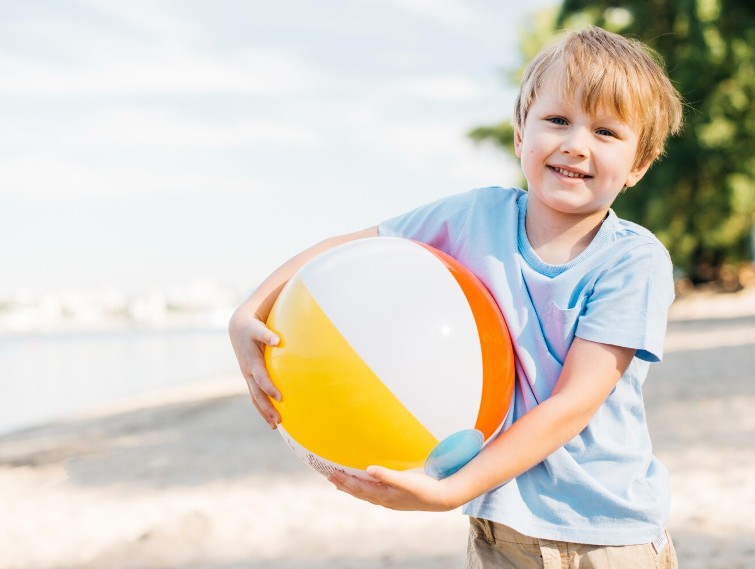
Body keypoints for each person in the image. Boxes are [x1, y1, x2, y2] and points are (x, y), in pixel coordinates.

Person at [229, 26, 683, 568]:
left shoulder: (633, 260)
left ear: (639, 164)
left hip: (605, 534)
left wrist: (449, 491)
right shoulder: (475, 216)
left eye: (606, 132)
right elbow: (349, 250)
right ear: (520, 134)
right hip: (499, 526)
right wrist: (250, 310)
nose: (575, 144)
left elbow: (572, 405)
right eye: (558, 120)